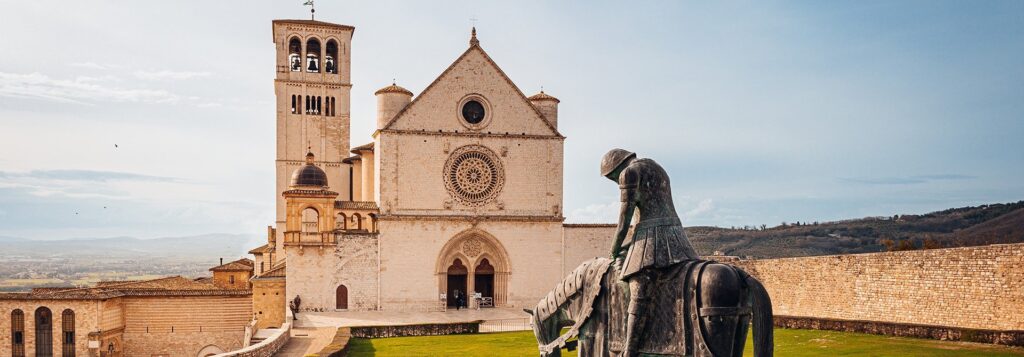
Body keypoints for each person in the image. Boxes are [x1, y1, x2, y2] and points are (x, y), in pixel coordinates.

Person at [601, 148, 700, 357]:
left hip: (654, 238)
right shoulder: (657, 168)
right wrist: (628, 246)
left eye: (611, 178)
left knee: (638, 287)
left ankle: (630, 351)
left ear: (616, 168)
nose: (614, 181)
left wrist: (614, 250)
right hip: (674, 235)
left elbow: (624, 220)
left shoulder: (629, 173)